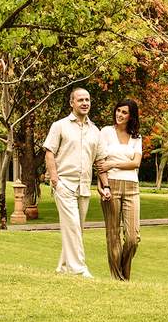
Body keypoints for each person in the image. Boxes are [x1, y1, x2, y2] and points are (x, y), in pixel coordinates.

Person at [44, 88, 111, 278]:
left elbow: (100, 161)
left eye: (87, 100)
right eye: (80, 100)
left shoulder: (95, 131)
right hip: (64, 184)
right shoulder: (59, 126)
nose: (85, 103)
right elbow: (49, 152)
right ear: (71, 103)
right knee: (73, 226)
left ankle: (63, 267)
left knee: (76, 229)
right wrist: (55, 179)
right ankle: (79, 269)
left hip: (84, 187)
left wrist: (106, 186)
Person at [98, 99, 143, 280]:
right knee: (113, 234)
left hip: (132, 187)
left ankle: (123, 274)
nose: (120, 115)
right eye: (118, 110)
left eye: (124, 112)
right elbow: (100, 163)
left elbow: (136, 163)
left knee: (133, 238)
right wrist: (104, 186)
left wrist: (113, 164)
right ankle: (118, 278)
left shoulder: (136, 137)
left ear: (131, 116)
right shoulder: (105, 132)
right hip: (112, 185)